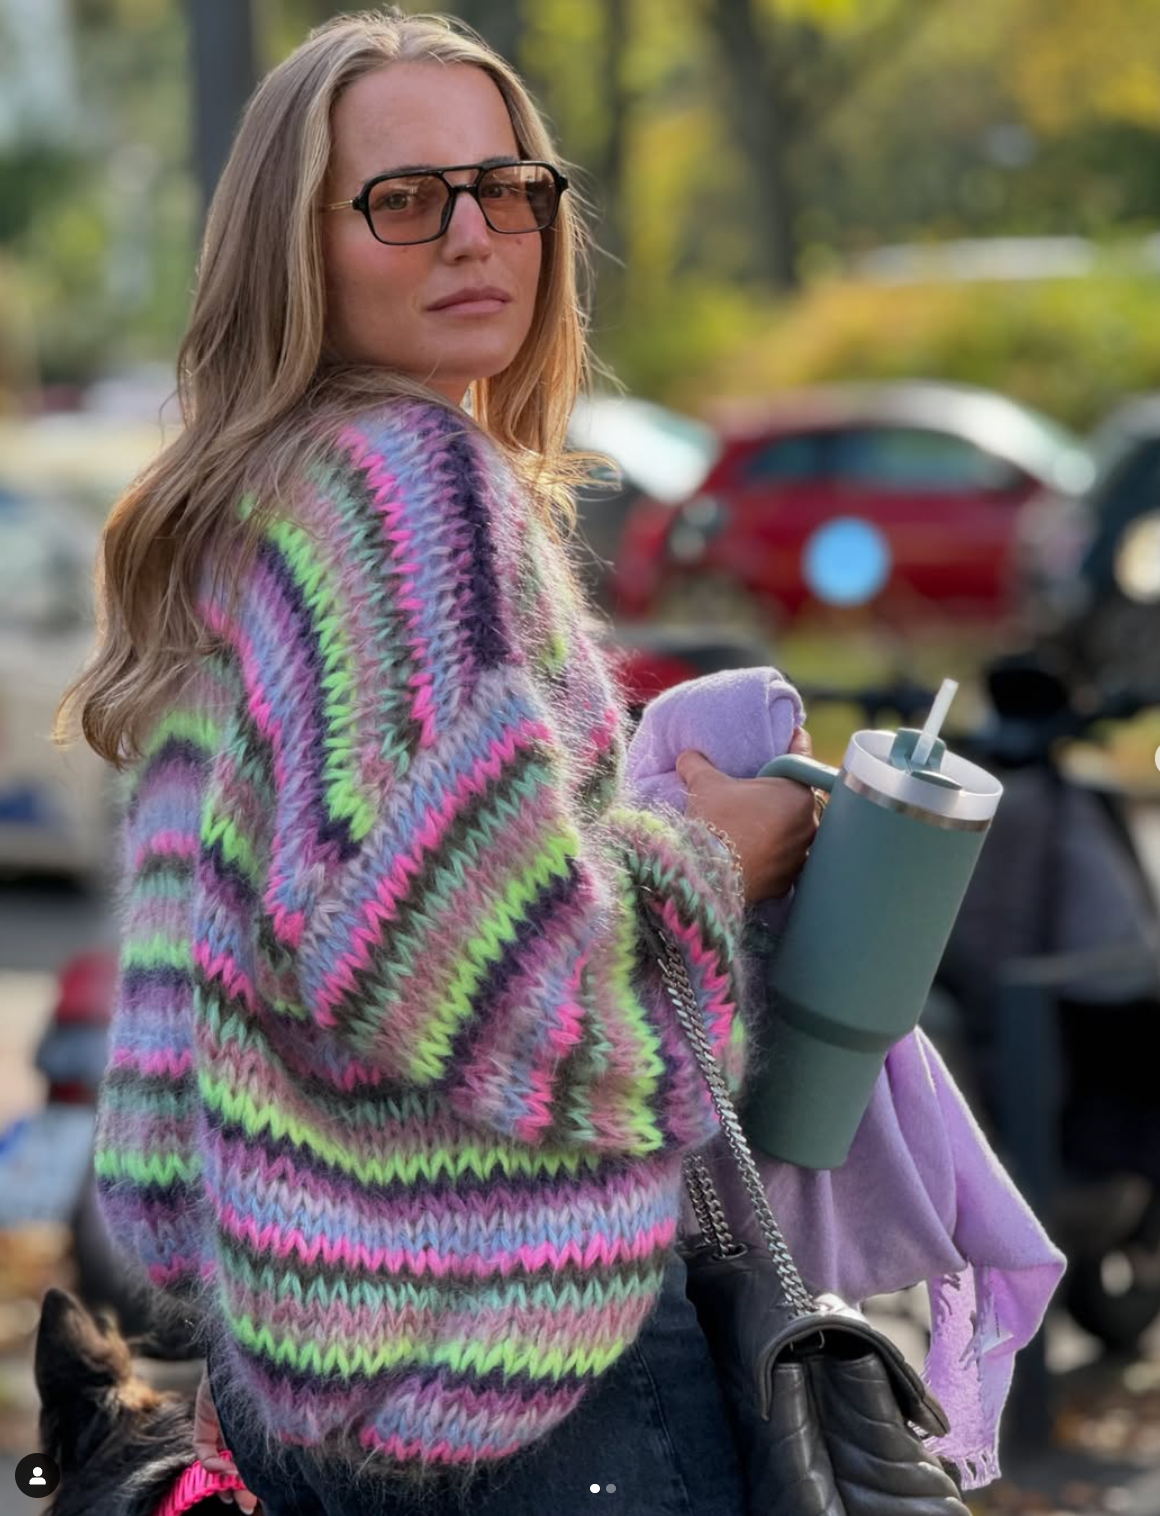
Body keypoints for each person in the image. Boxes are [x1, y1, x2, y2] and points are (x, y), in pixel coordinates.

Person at [57, 9, 817, 1514]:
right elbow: (498, 968)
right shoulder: (410, 488)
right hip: (525, 1370)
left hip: (305, 1379)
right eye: (405, 200)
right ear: (299, 247)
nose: (476, 235)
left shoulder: (243, 511)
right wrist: (720, 850)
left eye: (510, 187)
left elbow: (157, 1135)